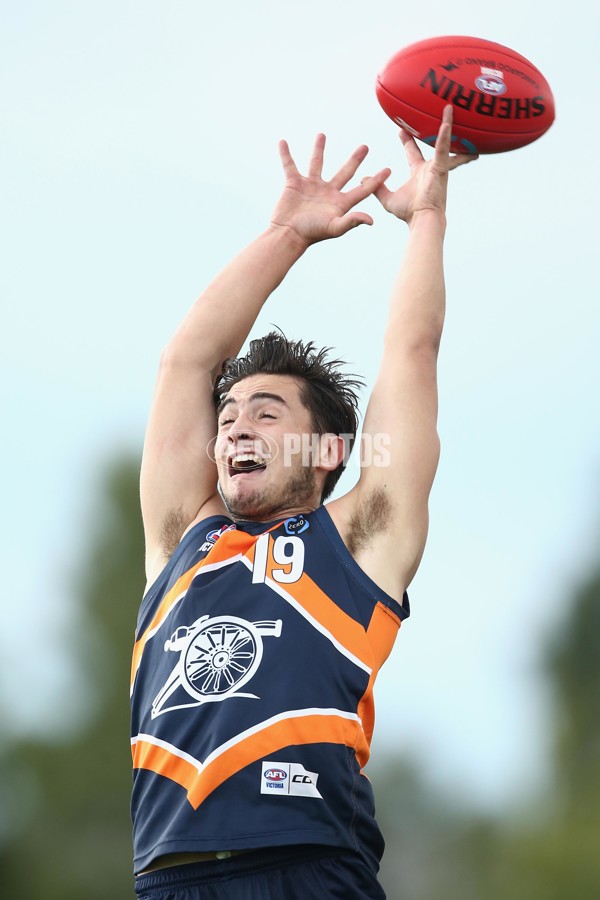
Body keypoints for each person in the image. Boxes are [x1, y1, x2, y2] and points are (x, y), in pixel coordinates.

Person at [130, 105, 476, 899]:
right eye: (228, 417)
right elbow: (187, 363)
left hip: (309, 866)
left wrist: (426, 214)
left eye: (266, 412)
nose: (235, 426)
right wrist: (287, 235)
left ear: (328, 454)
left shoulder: (356, 542)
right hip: (167, 877)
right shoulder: (184, 539)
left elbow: (411, 353)